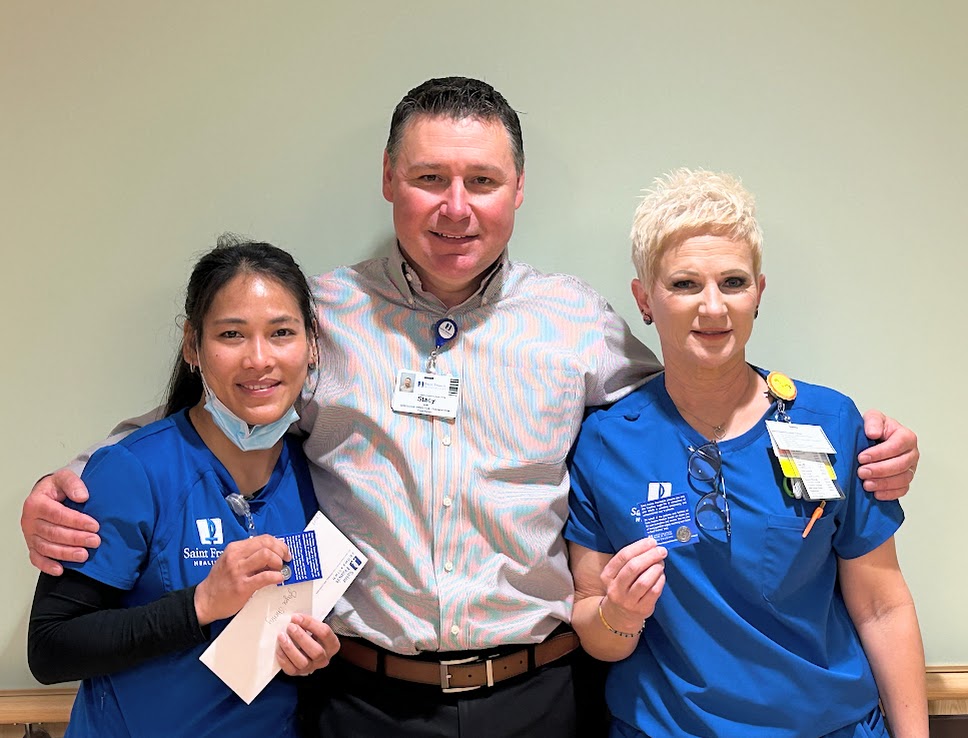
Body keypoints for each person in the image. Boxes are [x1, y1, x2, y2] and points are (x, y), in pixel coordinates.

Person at [21, 79, 920, 737]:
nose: (456, 208)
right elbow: (228, 396)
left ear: (518, 190)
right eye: (430, 178)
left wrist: (847, 435)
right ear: (388, 179)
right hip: (361, 699)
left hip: (540, 695)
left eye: (482, 181)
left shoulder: (575, 320)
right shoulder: (322, 313)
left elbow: (701, 381)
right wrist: (79, 477)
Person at [566, 169, 927, 738]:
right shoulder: (607, 443)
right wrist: (620, 614)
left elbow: (882, 607)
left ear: (758, 292)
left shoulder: (829, 423)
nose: (713, 308)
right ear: (644, 299)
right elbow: (595, 627)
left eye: (732, 282)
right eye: (685, 284)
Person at [27, 238, 340, 737]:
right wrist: (202, 604)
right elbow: (51, 648)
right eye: (232, 334)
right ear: (192, 345)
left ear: (312, 345)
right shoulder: (133, 470)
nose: (259, 358)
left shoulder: (317, 474)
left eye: (281, 332)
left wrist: (313, 657)